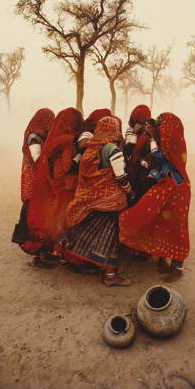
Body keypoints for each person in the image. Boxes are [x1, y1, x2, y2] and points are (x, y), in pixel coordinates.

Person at [55, 116, 134, 286]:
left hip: (88, 200)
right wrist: (129, 191)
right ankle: (110, 276)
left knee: (82, 231)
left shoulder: (90, 149)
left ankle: (64, 260)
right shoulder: (113, 149)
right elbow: (120, 177)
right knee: (110, 237)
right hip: (110, 203)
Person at [119, 112, 191, 282]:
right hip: (171, 184)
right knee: (166, 223)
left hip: (176, 187)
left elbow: (157, 158)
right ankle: (171, 264)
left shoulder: (171, 139)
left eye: (159, 125)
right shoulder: (174, 138)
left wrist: (151, 138)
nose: (157, 128)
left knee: (176, 226)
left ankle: (178, 268)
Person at [26, 107, 83, 265]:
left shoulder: (54, 138)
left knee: (51, 218)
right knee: (63, 222)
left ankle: (44, 254)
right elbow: (66, 166)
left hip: (51, 184)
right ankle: (64, 258)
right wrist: (78, 158)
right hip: (65, 187)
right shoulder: (67, 140)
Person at [11, 108, 56, 267]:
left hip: (36, 181)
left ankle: (41, 255)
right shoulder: (34, 138)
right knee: (34, 221)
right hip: (34, 184)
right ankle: (36, 257)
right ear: (43, 120)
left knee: (39, 219)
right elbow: (38, 160)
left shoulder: (38, 136)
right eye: (50, 120)